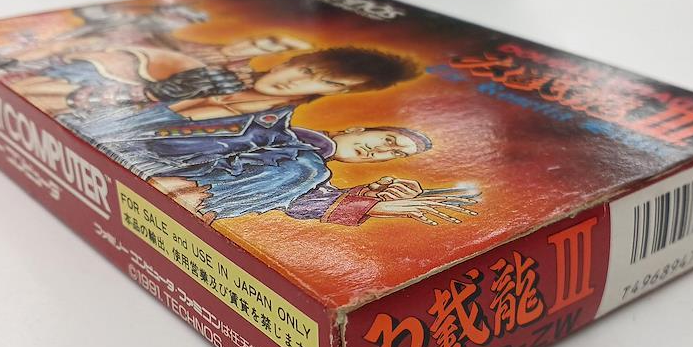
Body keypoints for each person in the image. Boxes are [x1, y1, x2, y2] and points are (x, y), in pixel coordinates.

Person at [96, 107, 476, 226]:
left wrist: (377, 202)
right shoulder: (287, 133)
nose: (380, 152)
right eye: (388, 140)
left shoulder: (311, 170)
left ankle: (192, 202)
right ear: (358, 128)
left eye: (393, 155)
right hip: (147, 156)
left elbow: (304, 203)